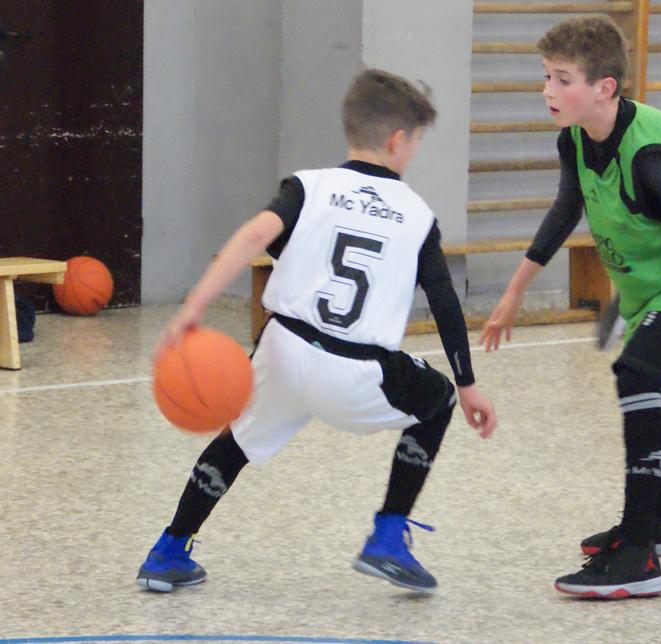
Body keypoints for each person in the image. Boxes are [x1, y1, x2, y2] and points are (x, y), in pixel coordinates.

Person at [137, 68, 496, 595]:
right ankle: (388, 536)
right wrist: (466, 384)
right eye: (416, 140)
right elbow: (444, 302)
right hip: (357, 372)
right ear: (398, 140)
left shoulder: (309, 186)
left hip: (283, 348)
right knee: (437, 400)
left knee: (235, 438)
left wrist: (193, 307)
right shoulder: (417, 217)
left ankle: (169, 549)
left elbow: (256, 234)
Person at [479, 15, 661, 599]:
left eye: (563, 79)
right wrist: (514, 293)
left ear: (605, 87)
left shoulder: (649, 154)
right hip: (656, 268)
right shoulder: (575, 136)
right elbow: (566, 209)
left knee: (638, 374)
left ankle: (638, 555)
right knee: (644, 382)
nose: (548, 91)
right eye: (546, 77)